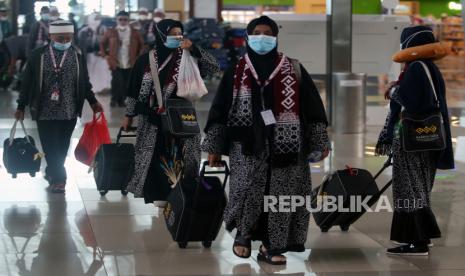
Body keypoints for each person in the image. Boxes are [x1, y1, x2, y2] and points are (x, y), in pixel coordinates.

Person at [201, 16, 330, 265]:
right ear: (248, 38)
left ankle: (272, 246)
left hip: (288, 145)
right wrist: (214, 149)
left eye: (268, 33)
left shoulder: (293, 68)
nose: (263, 37)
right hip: (247, 146)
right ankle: (244, 237)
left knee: (280, 195)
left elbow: (314, 108)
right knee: (247, 191)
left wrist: (320, 141)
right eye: (257, 32)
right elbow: (219, 111)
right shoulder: (237, 70)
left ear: (276, 36)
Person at [122, 19, 219, 206]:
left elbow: (214, 67)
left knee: (184, 154)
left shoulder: (188, 59)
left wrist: (195, 49)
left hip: (181, 117)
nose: (177, 37)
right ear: (160, 35)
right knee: (154, 153)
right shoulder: (145, 60)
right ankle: (158, 193)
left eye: (179, 33)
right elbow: (133, 90)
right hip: (151, 118)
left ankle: (183, 191)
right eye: (172, 33)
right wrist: (129, 115)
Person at [376, 26, 454, 256]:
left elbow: (413, 102)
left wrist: (392, 91)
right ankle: (422, 237)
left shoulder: (416, 68)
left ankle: (416, 241)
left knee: (409, 189)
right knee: (419, 188)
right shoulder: (429, 67)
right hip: (428, 139)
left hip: (412, 142)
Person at [15, 20, 103, 194]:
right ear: (50, 36)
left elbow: (85, 83)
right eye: (60, 38)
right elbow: (26, 83)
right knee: (49, 147)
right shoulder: (37, 56)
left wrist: (93, 102)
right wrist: (20, 106)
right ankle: (60, 179)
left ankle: (51, 172)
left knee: (62, 147)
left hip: (69, 111)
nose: (64, 42)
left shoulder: (77, 56)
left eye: (67, 38)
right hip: (44, 111)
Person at [100, 11, 144, 107]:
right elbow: (102, 43)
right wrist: (105, 55)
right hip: (115, 61)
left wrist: (138, 57)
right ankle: (114, 99)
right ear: (117, 20)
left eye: (125, 19)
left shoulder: (135, 32)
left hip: (130, 61)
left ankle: (121, 100)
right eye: (120, 19)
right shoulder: (111, 31)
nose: (123, 21)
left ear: (128, 20)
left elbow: (142, 45)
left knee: (127, 82)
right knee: (117, 81)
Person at [78, 13, 111, 93]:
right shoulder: (84, 31)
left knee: (102, 71)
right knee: (90, 71)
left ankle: (103, 88)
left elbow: (107, 42)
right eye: (96, 19)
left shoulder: (104, 29)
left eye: (99, 19)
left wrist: (104, 51)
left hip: (101, 54)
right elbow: (82, 45)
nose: (98, 21)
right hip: (89, 55)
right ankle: (91, 88)